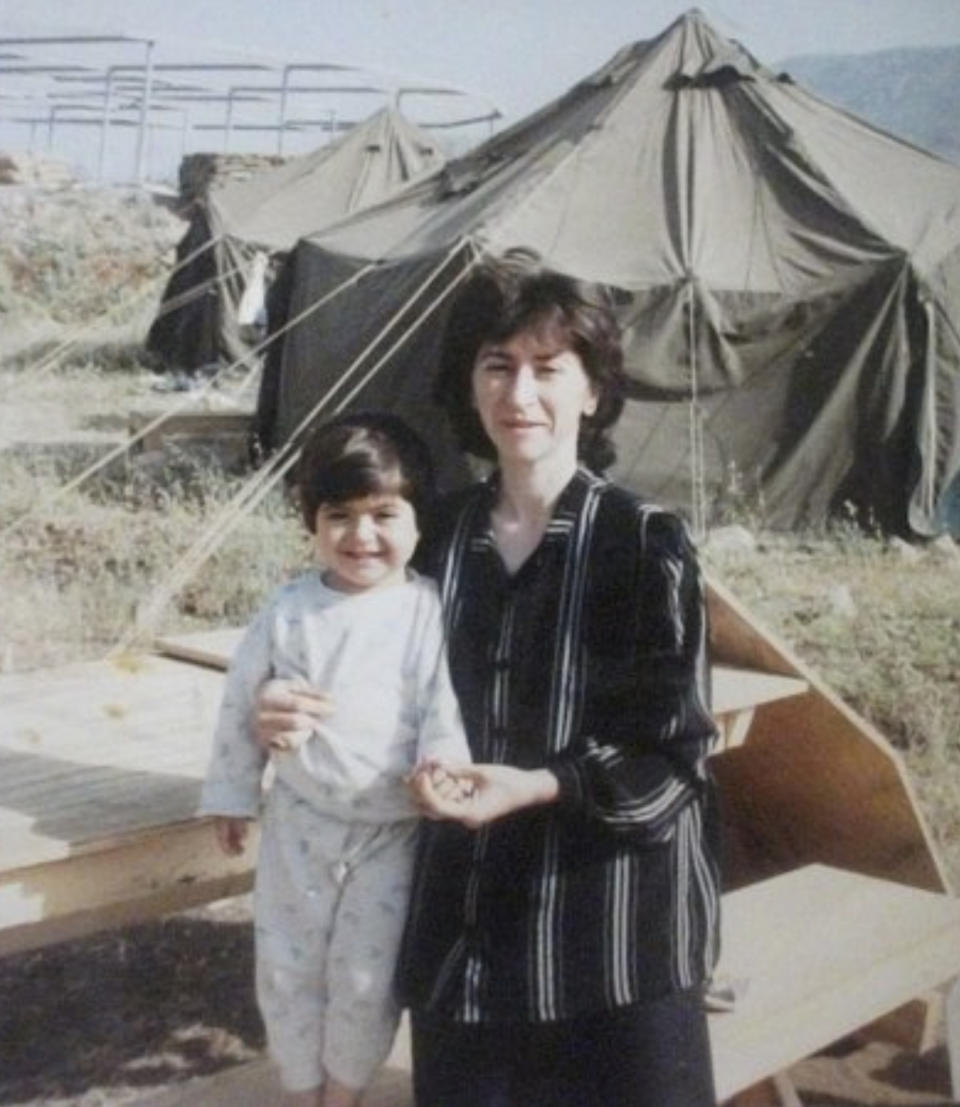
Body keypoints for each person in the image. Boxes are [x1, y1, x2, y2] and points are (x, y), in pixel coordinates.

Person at [256, 251, 722, 1107]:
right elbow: (337, 658)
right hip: (468, 937)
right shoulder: (425, 539)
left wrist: (542, 783)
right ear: (469, 385)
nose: (520, 394)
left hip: (616, 931)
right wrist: (280, 707)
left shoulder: (644, 542)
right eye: (497, 365)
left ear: (592, 389)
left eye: (550, 368)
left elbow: (677, 760)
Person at [199, 411, 472, 1107]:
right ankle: (299, 1089)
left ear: (417, 520)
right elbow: (240, 705)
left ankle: (344, 1092)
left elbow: (445, 704)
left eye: (384, 513)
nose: (362, 535)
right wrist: (233, 792)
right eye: (340, 515)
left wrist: (442, 767)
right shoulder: (289, 610)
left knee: (363, 978)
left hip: (389, 832)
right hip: (300, 823)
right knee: (287, 969)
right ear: (312, 523)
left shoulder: (425, 611)